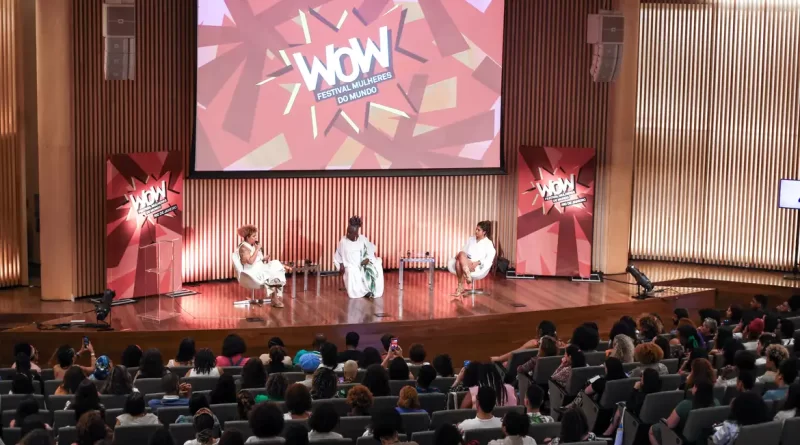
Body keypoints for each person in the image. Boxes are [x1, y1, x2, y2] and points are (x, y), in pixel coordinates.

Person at [649, 381, 719, 445]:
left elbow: (670, 425)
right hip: (705, 440)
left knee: (652, 429)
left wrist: (664, 420)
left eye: (694, 386)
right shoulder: (717, 403)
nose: (692, 388)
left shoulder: (685, 405)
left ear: (697, 389)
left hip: (681, 439)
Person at [236, 224, 290, 307]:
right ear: (247, 237)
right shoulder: (243, 248)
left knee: (276, 264)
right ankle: (274, 298)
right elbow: (250, 261)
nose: (256, 238)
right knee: (272, 272)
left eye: (255, 236)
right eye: (253, 236)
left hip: (259, 267)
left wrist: (264, 258)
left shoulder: (251, 245)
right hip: (251, 272)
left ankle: (274, 297)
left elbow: (256, 260)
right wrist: (257, 249)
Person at [333, 216, 384, 299]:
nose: (347, 234)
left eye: (350, 233)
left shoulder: (362, 240)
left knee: (377, 265)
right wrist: (341, 264)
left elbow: (370, 252)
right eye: (347, 231)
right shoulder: (343, 241)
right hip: (351, 266)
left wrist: (367, 259)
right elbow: (338, 254)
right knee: (352, 272)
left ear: (356, 234)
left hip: (362, 264)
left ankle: (369, 290)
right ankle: (359, 292)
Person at [603, 368, 662, 436]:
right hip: (652, 423)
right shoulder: (657, 394)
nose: (640, 379)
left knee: (620, 407)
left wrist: (635, 389)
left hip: (636, 422)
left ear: (645, 381)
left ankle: (609, 432)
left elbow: (629, 405)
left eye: (642, 377)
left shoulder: (641, 396)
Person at [448, 221, 496, 297]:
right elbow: (464, 251)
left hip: (476, 266)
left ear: (484, 232)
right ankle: (467, 273)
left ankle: (460, 286)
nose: (476, 231)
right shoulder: (471, 239)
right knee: (460, 255)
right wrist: (459, 255)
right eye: (476, 229)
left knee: (458, 262)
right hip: (467, 262)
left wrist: (478, 262)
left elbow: (490, 258)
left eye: (478, 230)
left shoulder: (488, 243)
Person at [490, 320, 559, 365]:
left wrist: (499, 359)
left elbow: (515, 354)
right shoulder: (559, 346)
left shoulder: (534, 344)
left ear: (540, 331)